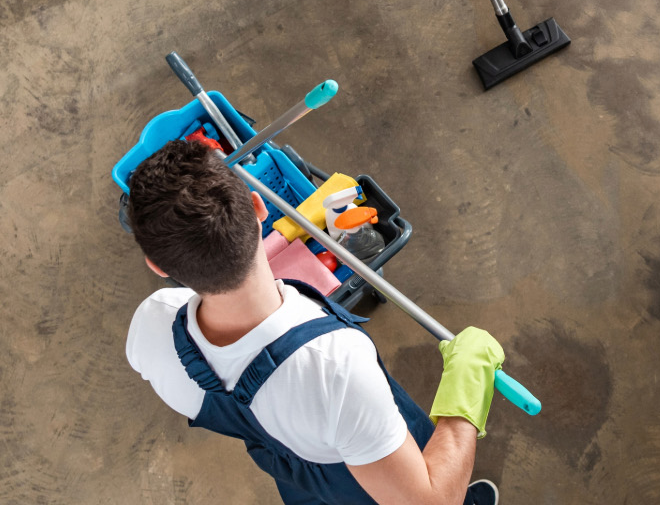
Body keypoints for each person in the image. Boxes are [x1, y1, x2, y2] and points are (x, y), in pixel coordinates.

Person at [124, 139, 504, 505]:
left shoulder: (151, 327)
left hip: (298, 474)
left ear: (157, 266)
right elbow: (431, 500)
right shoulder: (336, 367)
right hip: (372, 478)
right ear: (259, 208)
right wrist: (467, 383)